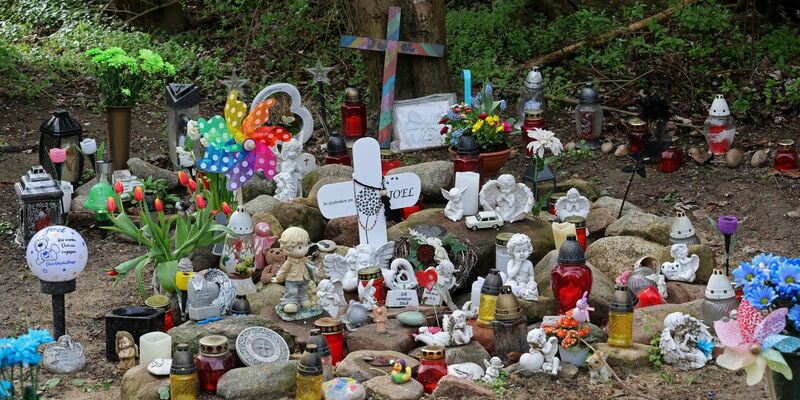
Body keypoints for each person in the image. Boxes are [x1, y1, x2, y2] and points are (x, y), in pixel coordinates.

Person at [273, 227, 313, 313]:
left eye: (306, 245)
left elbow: (309, 264)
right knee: (292, 291)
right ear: (287, 248)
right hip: (292, 280)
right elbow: (283, 270)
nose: (305, 249)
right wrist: (278, 278)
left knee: (304, 289)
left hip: (304, 278)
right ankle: (290, 302)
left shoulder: (303, 258)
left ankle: (303, 299)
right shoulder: (289, 262)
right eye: (300, 247)